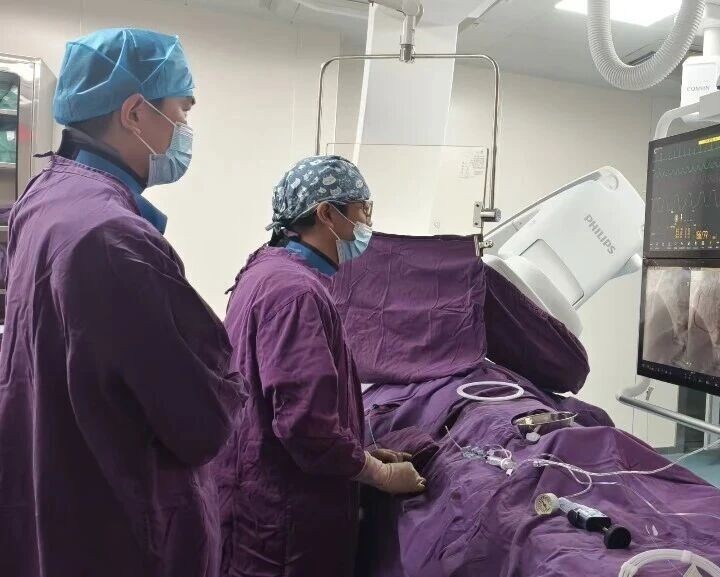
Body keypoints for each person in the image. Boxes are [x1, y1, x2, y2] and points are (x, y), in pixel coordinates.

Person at [0, 28, 244, 577]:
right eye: (181, 111)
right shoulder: (113, 238)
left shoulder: (44, 199)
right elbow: (202, 421)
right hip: (117, 531)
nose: (185, 130)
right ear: (135, 113)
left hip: (55, 501)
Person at [215, 155, 426, 577]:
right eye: (362, 209)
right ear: (327, 214)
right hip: (284, 526)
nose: (367, 222)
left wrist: (358, 453)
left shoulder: (265, 271)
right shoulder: (295, 293)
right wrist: (379, 474)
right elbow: (305, 425)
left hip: (260, 496)